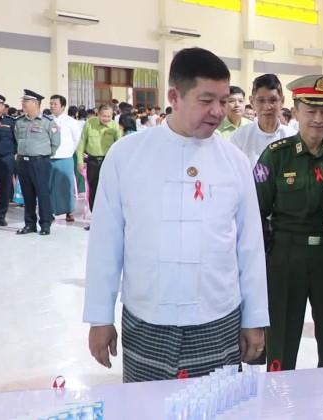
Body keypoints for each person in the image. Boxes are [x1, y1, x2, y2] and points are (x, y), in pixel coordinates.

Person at [83, 47, 268, 382]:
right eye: (206, 100)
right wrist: (100, 316)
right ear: (174, 97)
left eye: (223, 100)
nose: (218, 111)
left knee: (217, 405)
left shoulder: (235, 161)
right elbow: (105, 243)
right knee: (144, 406)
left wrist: (254, 319)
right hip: (147, 320)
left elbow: (250, 247)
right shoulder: (126, 155)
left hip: (217, 319)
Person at [256, 74, 323, 370]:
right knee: (281, 335)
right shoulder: (277, 155)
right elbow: (257, 210)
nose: (318, 119)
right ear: (295, 111)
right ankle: (278, 393)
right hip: (286, 256)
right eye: (310, 110)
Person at [15, 89, 60, 236]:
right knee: (27, 194)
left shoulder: (48, 122)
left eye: (26, 101)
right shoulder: (19, 121)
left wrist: (44, 155)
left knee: (42, 193)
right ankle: (30, 224)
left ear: (35, 103)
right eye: (23, 101)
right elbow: (17, 138)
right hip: (23, 162)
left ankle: (45, 224)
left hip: (40, 162)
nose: (23, 103)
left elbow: (55, 142)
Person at [230, 74, 297, 166]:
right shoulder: (240, 137)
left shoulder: (293, 137)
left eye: (273, 100)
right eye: (261, 100)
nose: (267, 107)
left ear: (282, 101)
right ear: (252, 102)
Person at [77, 104, 123, 230]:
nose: (106, 119)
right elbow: (82, 143)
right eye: (104, 116)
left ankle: (109, 221)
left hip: (108, 162)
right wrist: (80, 161)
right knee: (94, 190)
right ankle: (96, 221)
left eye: (109, 116)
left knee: (109, 191)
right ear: (98, 114)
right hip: (92, 162)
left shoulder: (114, 126)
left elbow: (119, 146)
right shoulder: (89, 123)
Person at [48, 94, 81, 222]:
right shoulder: (46, 120)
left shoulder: (70, 121)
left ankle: (69, 211)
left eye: (55, 104)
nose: (52, 106)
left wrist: (69, 152)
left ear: (63, 106)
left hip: (65, 157)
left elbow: (77, 139)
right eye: (51, 104)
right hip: (49, 157)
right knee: (49, 186)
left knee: (66, 185)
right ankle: (49, 211)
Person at [0, 93, 17, 226]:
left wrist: (13, 154)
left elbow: (17, 140)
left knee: (5, 189)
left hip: (5, 160)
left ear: (3, 106)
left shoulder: (11, 122)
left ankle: (0, 214)